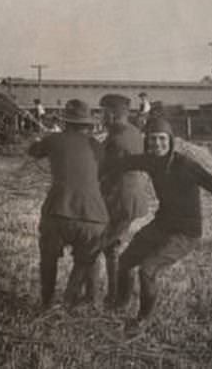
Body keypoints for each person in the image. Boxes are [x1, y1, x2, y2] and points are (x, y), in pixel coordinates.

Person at [104, 117, 212, 331]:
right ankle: (120, 304)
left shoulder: (186, 165)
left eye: (162, 139)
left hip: (186, 232)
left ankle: (143, 319)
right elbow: (122, 163)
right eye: (152, 140)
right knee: (124, 262)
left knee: (148, 269)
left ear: (170, 141)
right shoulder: (150, 160)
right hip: (161, 224)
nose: (157, 144)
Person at [27, 99, 109, 309]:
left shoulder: (54, 140)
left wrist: (38, 139)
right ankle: (88, 300)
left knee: (48, 257)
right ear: (88, 124)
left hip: (58, 212)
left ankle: (46, 301)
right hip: (94, 216)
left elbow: (33, 151)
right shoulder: (98, 147)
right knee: (89, 260)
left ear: (65, 122)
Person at [92, 94, 150, 306]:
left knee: (111, 247)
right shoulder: (133, 132)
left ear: (112, 114)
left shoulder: (116, 139)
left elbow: (103, 171)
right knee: (112, 247)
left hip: (119, 199)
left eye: (102, 111)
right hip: (130, 198)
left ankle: (117, 298)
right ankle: (116, 296)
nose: (100, 116)